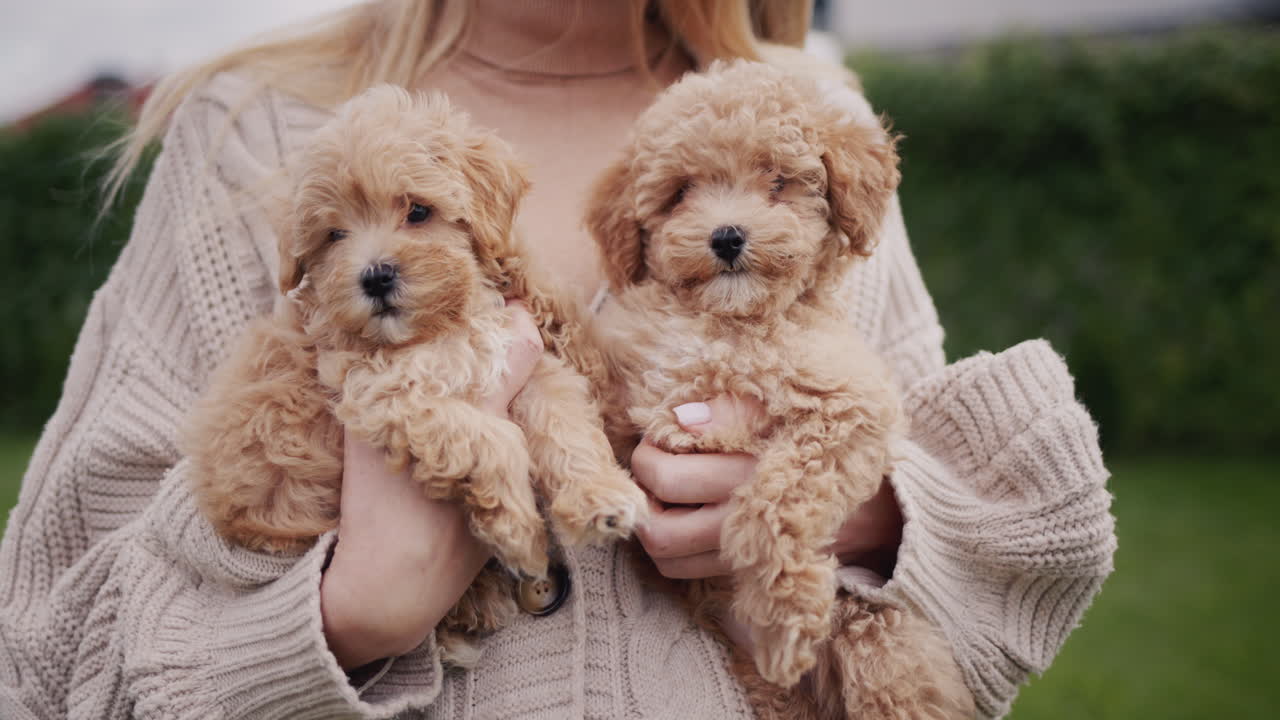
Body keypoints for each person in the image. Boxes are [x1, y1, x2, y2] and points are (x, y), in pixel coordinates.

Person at [0, 1, 1116, 718]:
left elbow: (939, 539)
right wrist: (344, 615)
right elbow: (49, 634)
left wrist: (866, 512)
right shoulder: (252, 130)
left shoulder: (806, 111)